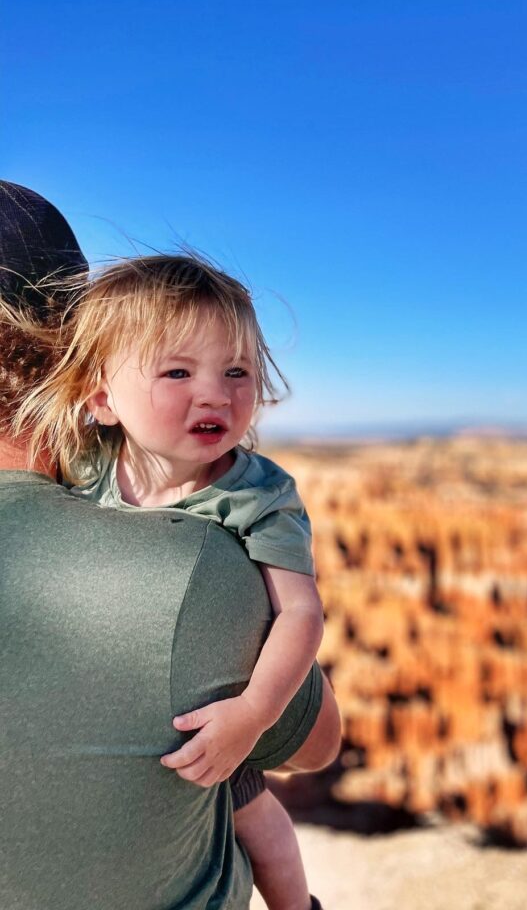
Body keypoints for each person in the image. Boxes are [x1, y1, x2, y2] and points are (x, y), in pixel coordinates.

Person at [0, 180, 340, 910]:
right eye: (177, 372)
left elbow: (301, 614)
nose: (212, 396)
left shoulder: (249, 493)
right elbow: (318, 744)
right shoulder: (196, 569)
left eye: (236, 373)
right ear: (83, 378)